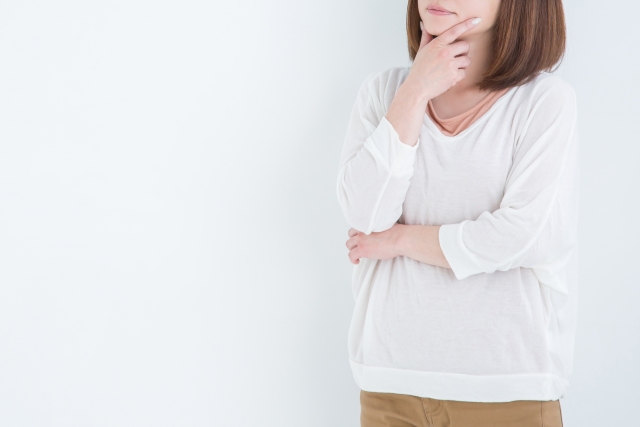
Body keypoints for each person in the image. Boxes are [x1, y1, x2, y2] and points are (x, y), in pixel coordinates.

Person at [336, 0, 579, 426]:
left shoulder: (543, 103)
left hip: (506, 392)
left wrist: (400, 240)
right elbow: (365, 215)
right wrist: (415, 91)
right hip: (389, 387)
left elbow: (517, 236)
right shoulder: (384, 93)